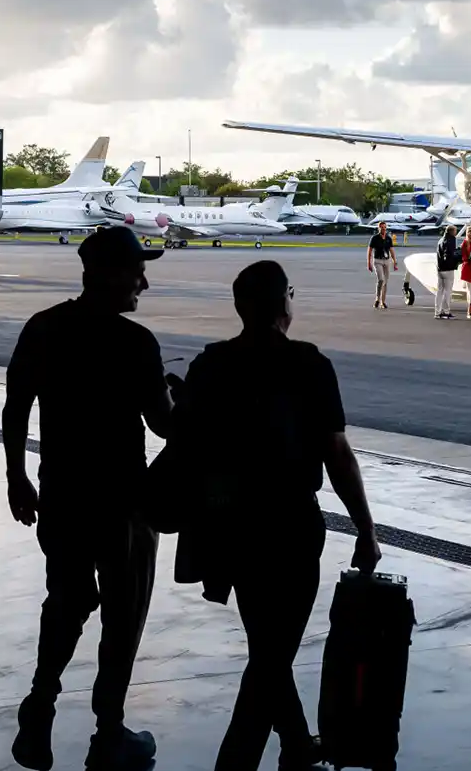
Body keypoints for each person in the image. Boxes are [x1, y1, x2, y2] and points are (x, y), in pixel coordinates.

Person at [171, 261, 381, 771]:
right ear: (285, 301)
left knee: (267, 645)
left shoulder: (211, 364)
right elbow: (337, 453)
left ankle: (295, 744)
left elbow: (182, 437)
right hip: (290, 526)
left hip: (231, 527)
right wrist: (365, 528)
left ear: (239, 306)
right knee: (271, 657)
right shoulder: (308, 364)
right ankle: (235, 762)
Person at [5, 226, 176, 771]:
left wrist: (16, 476)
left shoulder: (43, 328)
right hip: (124, 502)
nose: (144, 284)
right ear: (110, 275)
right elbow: (165, 424)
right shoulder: (136, 343)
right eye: (137, 273)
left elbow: (15, 407)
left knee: (67, 600)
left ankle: (40, 704)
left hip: (62, 492)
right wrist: (191, 402)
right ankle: (109, 731)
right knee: (123, 615)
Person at [366, 221, 398, 309]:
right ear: (378, 228)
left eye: (384, 227)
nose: (383, 229)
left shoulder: (388, 238)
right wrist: (369, 263)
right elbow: (369, 251)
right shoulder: (374, 238)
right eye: (381, 227)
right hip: (378, 261)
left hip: (386, 261)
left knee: (385, 282)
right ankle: (377, 298)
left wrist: (394, 262)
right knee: (381, 279)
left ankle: (382, 302)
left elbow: (391, 250)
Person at [434, 225, 461, 319]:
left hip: (440, 268)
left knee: (439, 291)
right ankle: (446, 311)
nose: (456, 233)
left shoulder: (441, 240)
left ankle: (437, 312)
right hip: (448, 269)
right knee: (448, 291)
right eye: (455, 231)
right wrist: (457, 258)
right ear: (452, 232)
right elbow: (449, 254)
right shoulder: (451, 239)